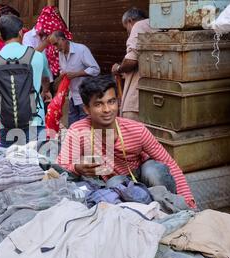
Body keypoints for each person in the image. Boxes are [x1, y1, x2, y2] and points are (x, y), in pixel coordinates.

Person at [57, 75, 196, 208]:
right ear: (86, 109)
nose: (107, 110)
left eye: (111, 102)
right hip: (114, 183)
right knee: (114, 182)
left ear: (118, 102)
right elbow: (61, 166)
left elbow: (169, 162)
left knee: (153, 170)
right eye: (98, 104)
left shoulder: (136, 130)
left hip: (141, 175)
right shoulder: (78, 131)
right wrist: (76, 168)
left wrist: (189, 201)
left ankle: (174, 208)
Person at [0, 15, 52, 148]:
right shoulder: (38, 57)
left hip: (7, 126)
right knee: (37, 166)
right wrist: (45, 91)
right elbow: (46, 79)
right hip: (35, 123)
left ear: (1, 36)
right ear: (20, 32)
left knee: (10, 166)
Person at [112, 8, 156, 121]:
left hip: (136, 99)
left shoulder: (139, 25)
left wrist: (118, 68)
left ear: (130, 21)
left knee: (130, 133)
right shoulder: (157, 24)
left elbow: (131, 60)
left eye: (126, 28)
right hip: (154, 97)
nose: (127, 32)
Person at [49, 30, 100, 126]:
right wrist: (61, 77)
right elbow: (64, 71)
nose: (56, 48)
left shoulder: (81, 50)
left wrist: (76, 74)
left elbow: (96, 69)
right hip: (72, 97)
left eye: (56, 44)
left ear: (63, 39)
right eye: (54, 45)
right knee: (72, 127)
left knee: (84, 128)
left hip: (84, 97)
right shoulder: (61, 53)